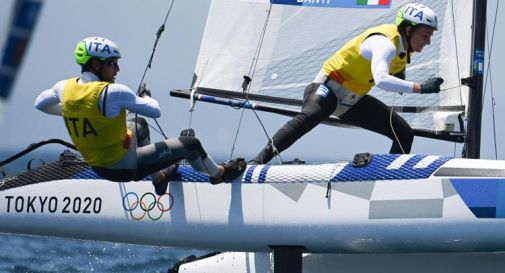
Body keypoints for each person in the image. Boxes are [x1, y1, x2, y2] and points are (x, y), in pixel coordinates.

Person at [35, 37, 246, 195]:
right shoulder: (113, 92)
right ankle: (220, 174)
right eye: (112, 63)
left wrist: (72, 110)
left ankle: (159, 178)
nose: (117, 69)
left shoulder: (64, 87)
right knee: (191, 144)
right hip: (124, 168)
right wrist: (145, 97)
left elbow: (41, 104)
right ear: (96, 64)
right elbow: (155, 110)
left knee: (140, 124)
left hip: (98, 166)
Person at [251, 3, 444, 164]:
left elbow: (395, 67)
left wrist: (401, 76)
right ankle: (257, 162)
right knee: (310, 116)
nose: (427, 42)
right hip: (328, 88)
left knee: (404, 132)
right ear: (408, 30)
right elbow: (381, 79)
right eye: (425, 35)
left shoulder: (404, 48)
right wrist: (420, 87)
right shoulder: (384, 43)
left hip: (352, 100)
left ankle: (389, 175)